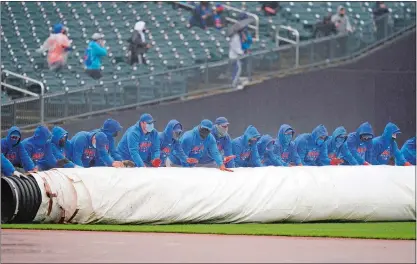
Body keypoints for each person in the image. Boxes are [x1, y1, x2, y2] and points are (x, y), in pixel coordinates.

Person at [167, 119, 232, 171]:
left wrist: (221, 165)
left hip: (191, 166)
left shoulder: (210, 138)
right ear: (199, 127)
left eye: (207, 130)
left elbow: (215, 152)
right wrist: (186, 170)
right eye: (203, 129)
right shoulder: (188, 137)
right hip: (175, 163)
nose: (205, 131)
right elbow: (183, 155)